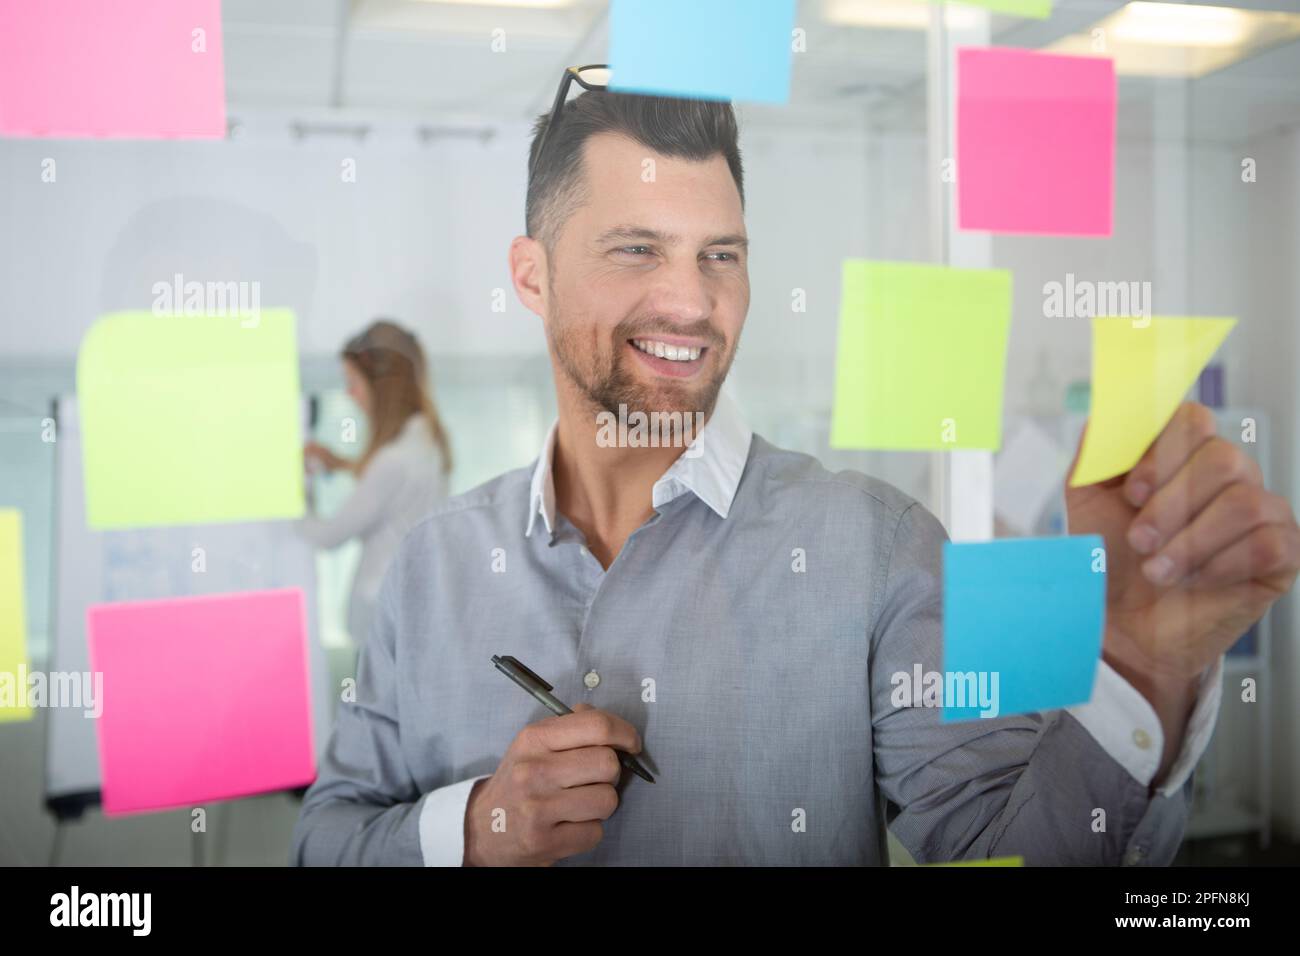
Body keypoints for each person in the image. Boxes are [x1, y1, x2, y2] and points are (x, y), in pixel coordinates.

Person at [291, 79, 1299, 866]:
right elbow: (324, 837)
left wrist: (1144, 664)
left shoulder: (876, 544)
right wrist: (480, 824)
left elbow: (1018, 845)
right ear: (532, 274)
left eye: (719, 256)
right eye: (639, 248)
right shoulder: (431, 565)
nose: (689, 301)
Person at [298, 320, 452, 648]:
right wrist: (341, 463)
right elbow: (391, 489)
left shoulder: (392, 461)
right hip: (407, 604)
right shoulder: (425, 440)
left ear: (381, 388)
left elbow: (328, 536)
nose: (348, 394)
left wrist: (296, 491)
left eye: (353, 382)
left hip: (379, 607)